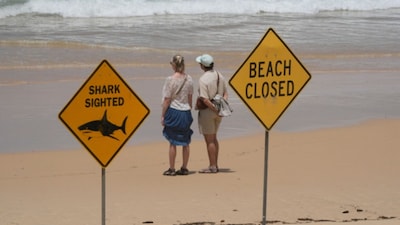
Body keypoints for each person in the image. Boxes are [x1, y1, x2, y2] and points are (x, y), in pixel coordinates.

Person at [195, 54, 228, 173]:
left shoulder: (203, 79)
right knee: (214, 138)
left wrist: (215, 109)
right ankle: (215, 164)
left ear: (203, 66)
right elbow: (225, 93)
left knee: (209, 140)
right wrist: (221, 108)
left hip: (208, 112)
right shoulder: (220, 75)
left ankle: (212, 166)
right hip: (219, 111)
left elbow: (205, 99)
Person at [161, 54, 194, 176]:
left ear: (174, 65)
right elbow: (190, 98)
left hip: (174, 111)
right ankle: (184, 167)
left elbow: (167, 100)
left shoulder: (170, 79)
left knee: (172, 141)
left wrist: (163, 115)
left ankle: (172, 168)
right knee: (186, 141)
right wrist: (188, 108)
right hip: (185, 111)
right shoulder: (189, 79)